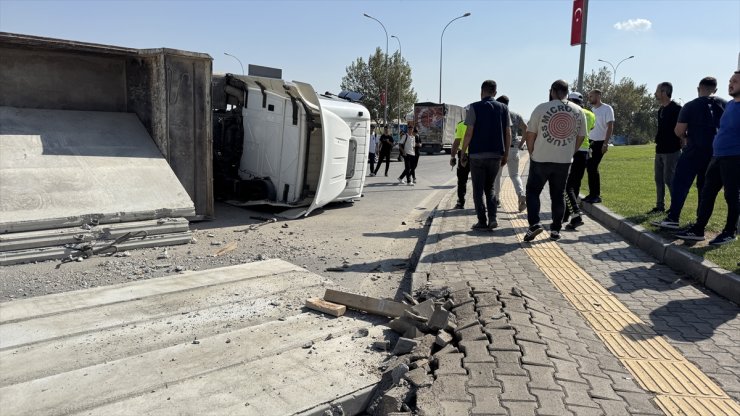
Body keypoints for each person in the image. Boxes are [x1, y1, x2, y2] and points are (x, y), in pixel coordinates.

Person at [652, 77, 727, 230]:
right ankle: (700, 222)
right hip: (715, 153)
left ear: (699, 89)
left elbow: (678, 130)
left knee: (680, 183)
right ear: (716, 90)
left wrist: (686, 136)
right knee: (705, 187)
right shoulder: (726, 105)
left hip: (694, 150)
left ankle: (673, 217)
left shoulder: (691, 105)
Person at [675, 71, 739, 245]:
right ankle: (699, 228)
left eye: (735, 81)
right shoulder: (731, 105)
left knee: (731, 196)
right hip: (717, 156)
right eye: (730, 81)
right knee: (707, 193)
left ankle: (729, 231)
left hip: (734, 158)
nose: (730, 84)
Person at [523, 80, 586, 242]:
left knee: (533, 192)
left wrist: (532, 152)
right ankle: (556, 230)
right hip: (563, 161)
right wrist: (570, 151)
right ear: (567, 92)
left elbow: (530, 134)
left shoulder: (541, 108)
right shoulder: (579, 111)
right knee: (558, 195)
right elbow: (581, 136)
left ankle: (534, 225)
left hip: (540, 158)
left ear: (552, 91)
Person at [460, 80, 511, 230]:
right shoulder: (503, 108)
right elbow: (508, 133)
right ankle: (493, 219)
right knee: (490, 188)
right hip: (496, 155)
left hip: (476, 155)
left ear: (481, 91)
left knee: (478, 189)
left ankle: (482, 221)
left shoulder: (474, 107)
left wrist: (463, 153)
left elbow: (469, 133)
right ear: (495, 92)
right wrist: (506, 154)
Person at [563, 92, 594, 230]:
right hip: (585, 152)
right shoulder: (591, 114)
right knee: (575, 185)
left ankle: (575, 214)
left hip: (572, 150)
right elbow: (591, 128)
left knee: (566, 185)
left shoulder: (570, 111)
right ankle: (567, 215)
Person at [649, 82, 683, 214]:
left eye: (657, 91)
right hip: (660, 149)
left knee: (669, 179)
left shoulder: (677, 109)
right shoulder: (661, 110)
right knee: (658, 179)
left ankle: (675, 207)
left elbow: (682, 129)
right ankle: (659, 206)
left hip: (672, 150)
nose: (655, 93)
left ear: (664, 92)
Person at [493, 95, 528, 212]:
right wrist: (521, 143)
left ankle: (496, 199)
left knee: (497, 176)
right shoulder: (516, 116)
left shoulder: (497, 115)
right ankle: (521, 194)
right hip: (514, 149)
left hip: (500, 149)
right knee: (515, 175)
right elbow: (526, 129)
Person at [583, 89, 614, 204]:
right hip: (590, 142)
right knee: (590, 168)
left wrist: (606, 143)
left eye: (591, 96)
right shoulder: (592, 110)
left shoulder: (607, 109)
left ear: (598, 96)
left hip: (600, 142)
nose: (589, 98)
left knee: (593, 166)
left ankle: (596, 195)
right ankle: (592, 194)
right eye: (589, 96)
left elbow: (610, 126)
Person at [450, 117, 470, 209]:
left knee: (462, 180)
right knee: (480, 181)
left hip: (463, 156)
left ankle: (460, 202)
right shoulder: (479, 124)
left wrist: (452, 157)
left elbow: (456, 142)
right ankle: (480, 204)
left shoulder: (461, 124)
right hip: (477, 156)